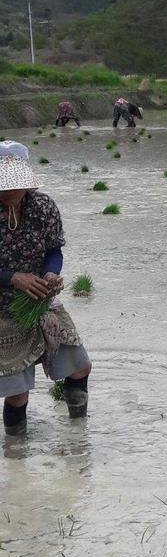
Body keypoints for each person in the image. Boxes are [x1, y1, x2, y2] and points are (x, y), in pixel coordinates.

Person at [0, 141, 91, 435]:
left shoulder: (43, 207)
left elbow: (54, 249)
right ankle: (16, 456)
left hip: (40, 300)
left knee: (79, 366)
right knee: (17, 392)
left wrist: (52, 273)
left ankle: (78, 434)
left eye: (15, 184)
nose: (8, 191)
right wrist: (13, 277)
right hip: (4, 309)